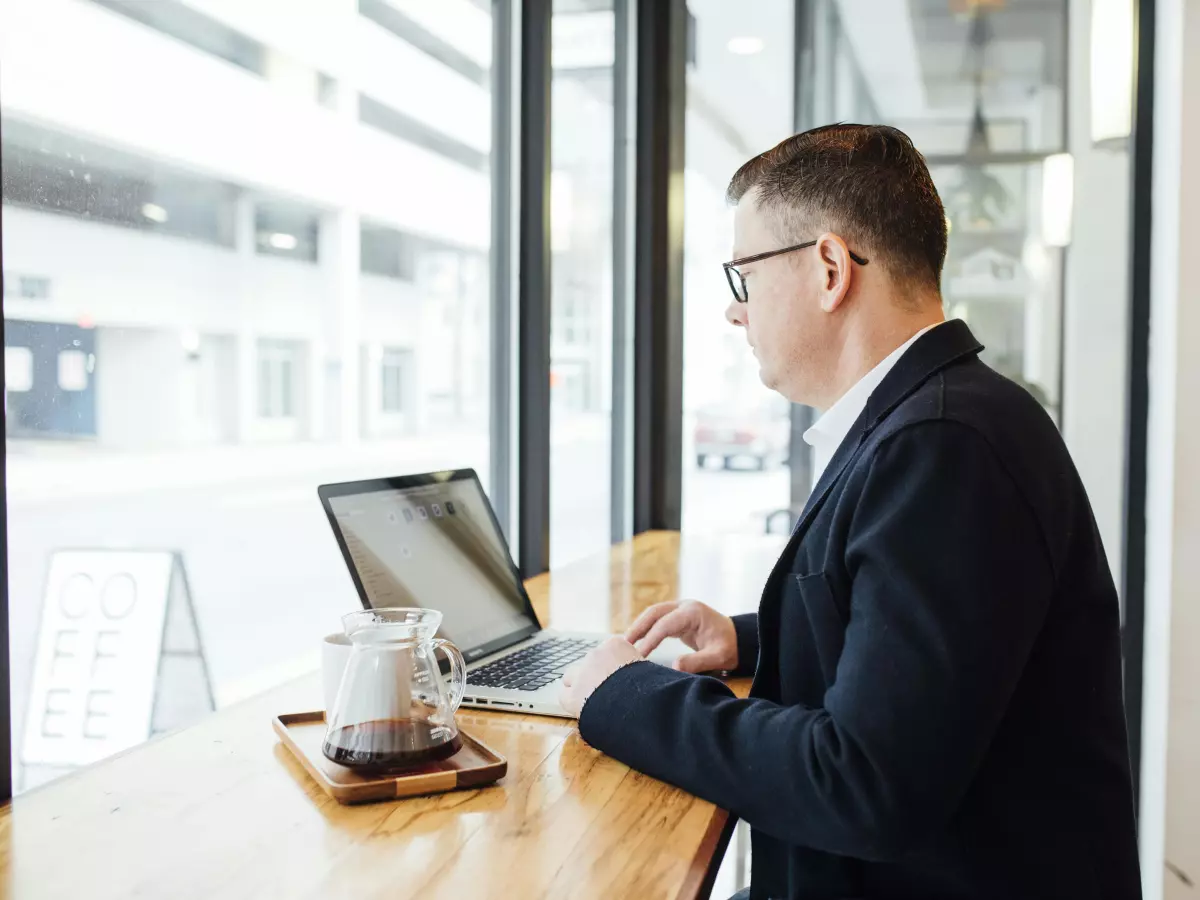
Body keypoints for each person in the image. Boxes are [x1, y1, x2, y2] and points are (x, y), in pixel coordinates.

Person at [559, 124, 1141, 899]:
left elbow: (863, 784)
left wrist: (625, 695)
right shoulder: (944, 417)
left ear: (830, 268)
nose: (737, 314)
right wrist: (747, 638)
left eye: (745, 277)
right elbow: (930, 644)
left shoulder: (945, 445)